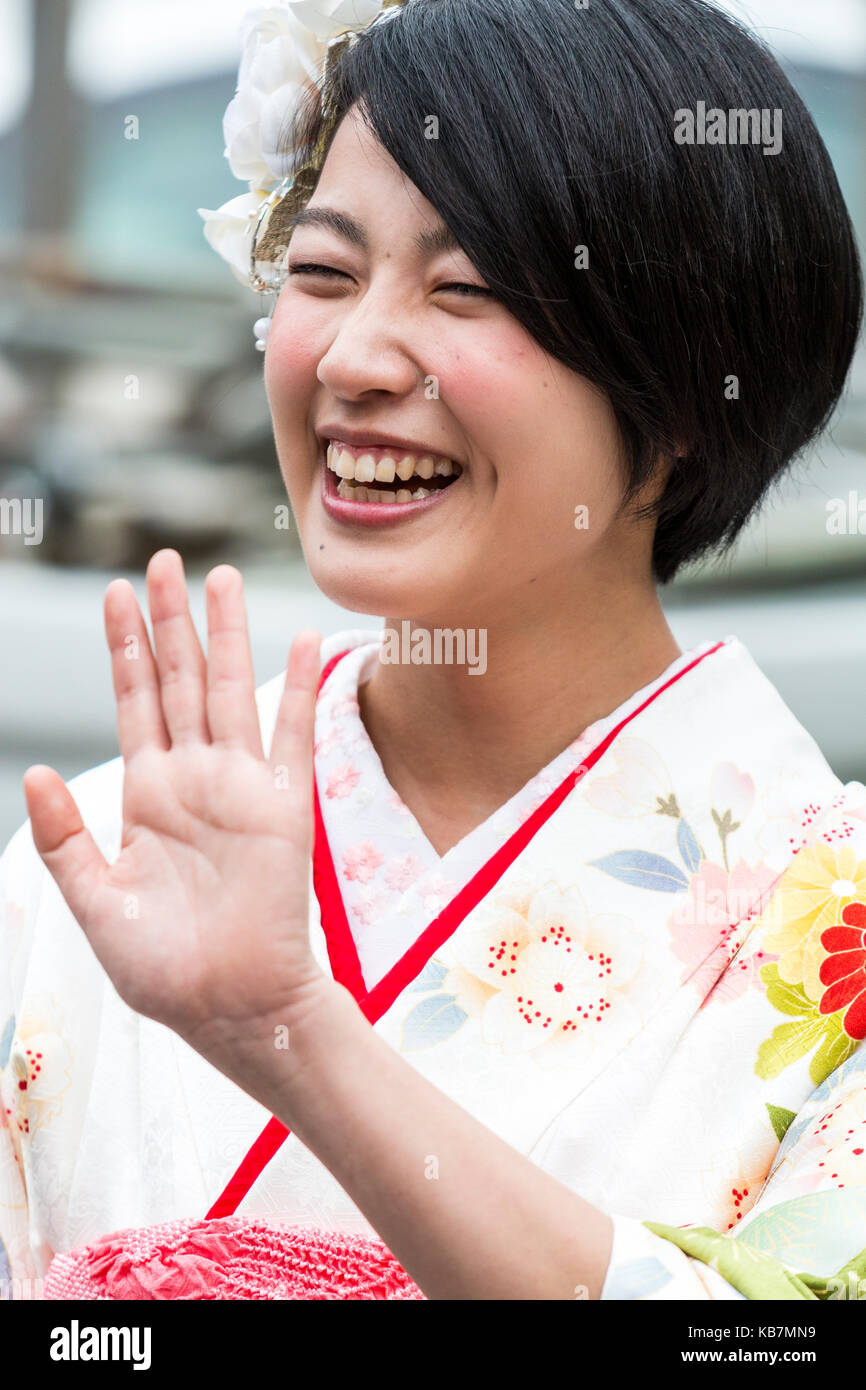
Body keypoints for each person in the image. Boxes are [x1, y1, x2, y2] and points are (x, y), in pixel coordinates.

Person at [2, 0, 865, 1301]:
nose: (347, 358)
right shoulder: (105, 853)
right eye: (323, 273)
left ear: (685, 389)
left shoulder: (832, 920)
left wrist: (288, 1036)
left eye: (463, 288)